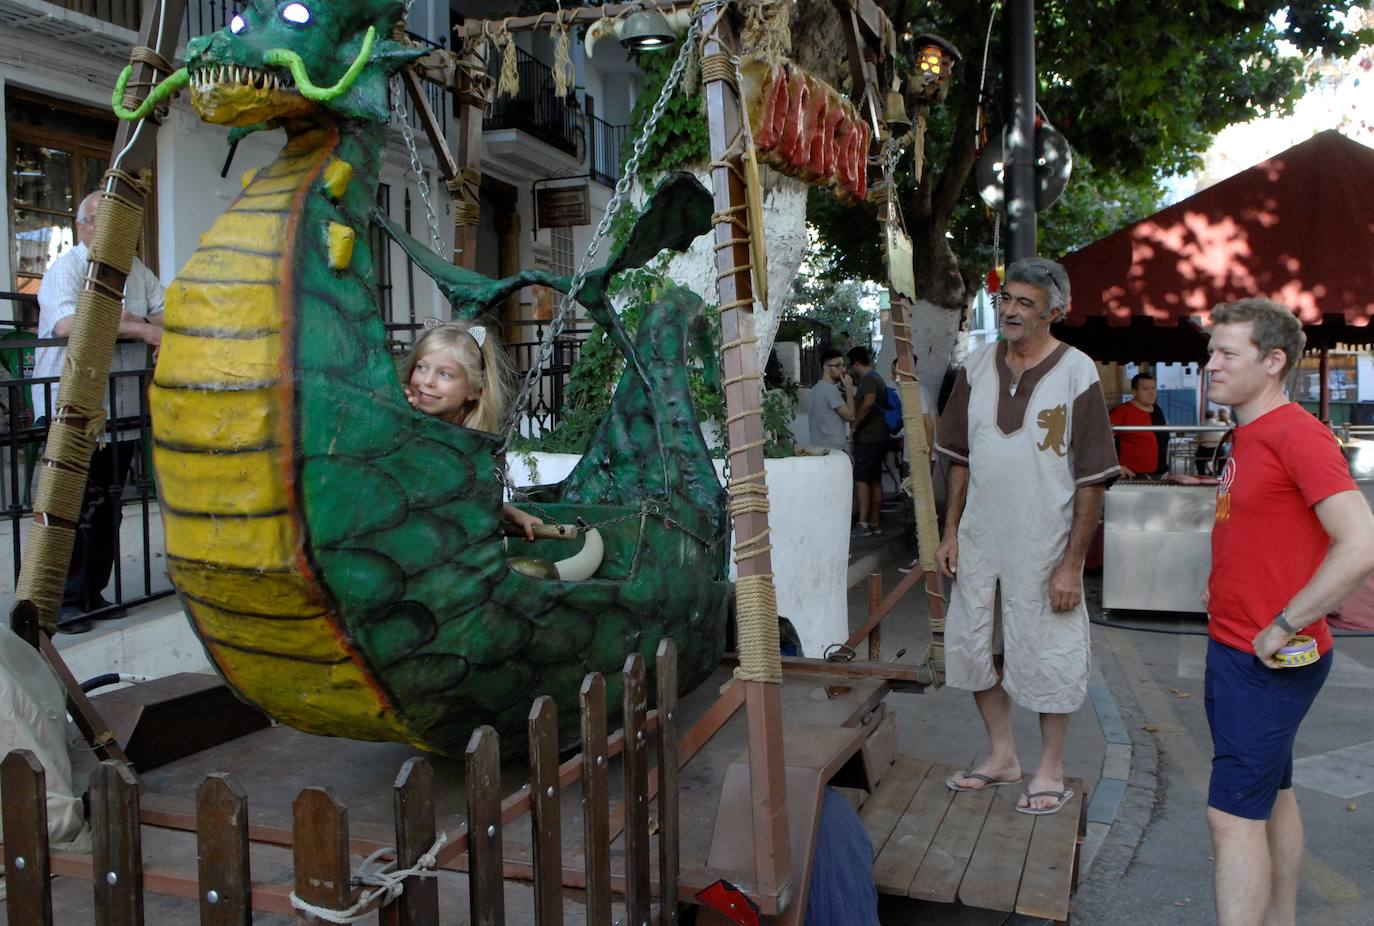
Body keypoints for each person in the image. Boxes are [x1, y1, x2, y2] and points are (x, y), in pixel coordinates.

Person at [1200, 299, 1374, 926]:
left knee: (1231, 816)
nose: (1210, 364)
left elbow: (1362, 543)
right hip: (1236, 646)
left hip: (1265, 657)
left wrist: (1283, 622)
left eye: (1226, 353)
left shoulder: (1297, 433)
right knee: (1271, 793)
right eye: (1211, 350)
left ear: (1274, 362)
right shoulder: (1249, 431)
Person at [933, 257, 1120, 814]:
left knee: (1048, 654)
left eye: (1025, 303)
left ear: (1054, 311)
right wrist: (951, 532)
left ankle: (1050, 768)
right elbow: (958, 458)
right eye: (1006, 300)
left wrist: (1072, 563)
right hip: (982, 537)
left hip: (1044, 546)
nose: (1011, 311)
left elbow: (1092, 479)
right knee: (976, 645)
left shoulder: (1077, 372)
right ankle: (1001, 757)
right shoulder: (975, 366)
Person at [33, 191, 164, 625]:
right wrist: (140, 329)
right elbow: (71, 323)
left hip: (120, 408)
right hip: (72, 409)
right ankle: (65, 602)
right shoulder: (67, 268)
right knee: (73, 506)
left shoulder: (138, 272)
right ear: (84, 226)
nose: (119, 234)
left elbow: (164, 314)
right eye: (106, 223)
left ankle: (93, 593)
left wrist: (141, 324)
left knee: (108, 505)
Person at [401, 319, 541, 540]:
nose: (427, 381)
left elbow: (460, 490)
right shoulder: (397, 422)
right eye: (421, 367)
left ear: (473, 390)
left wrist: (512, 513)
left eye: (445, 374)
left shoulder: (471, 441)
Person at [847, 346, 889, 536]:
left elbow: (869, 401)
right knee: (875, 480)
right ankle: (875, 522)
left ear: (857, 364)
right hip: (880, 437)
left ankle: (863, 523)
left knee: (862, 479)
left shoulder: (869, 379)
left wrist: (855, 423)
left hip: (869, 437)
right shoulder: (878, 377)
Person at [1109, 372, 1168, 477]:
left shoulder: (1158, 410)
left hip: (1157, 475)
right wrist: (1115, 467)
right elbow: (1100, 440)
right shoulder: (1122, 411)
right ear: (1134, 392)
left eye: (1153, 388)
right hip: (1131, 476)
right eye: (1145, 389)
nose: (1151, 393)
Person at [806, 349, 854, 453]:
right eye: (838, 365)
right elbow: (850, 416)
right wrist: (849, 388)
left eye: (843, 365)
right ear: (826, 367)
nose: (842, 369)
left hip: (818, 445)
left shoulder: (815, 389)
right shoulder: (830, 390)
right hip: (833, 448)